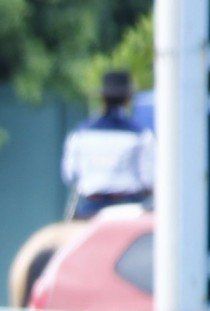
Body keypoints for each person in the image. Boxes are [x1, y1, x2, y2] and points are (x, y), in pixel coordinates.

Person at [61, 69, 154, 218]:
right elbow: (149, 179)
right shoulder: (141, 136)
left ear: (102, 98)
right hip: (129, 210)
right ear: (128, 98)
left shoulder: (80, 134)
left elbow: (70, 175)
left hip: (90, 210)